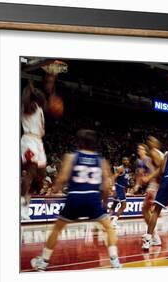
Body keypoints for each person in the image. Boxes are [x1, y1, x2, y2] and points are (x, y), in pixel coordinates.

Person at [30, 129, 121, 270]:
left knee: (57, 229)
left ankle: (43, 262)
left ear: (79, 142)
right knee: (109, 228)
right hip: (93, 198)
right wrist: (104, 201)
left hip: (75, 197)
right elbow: (107, 184)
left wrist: (52, 193)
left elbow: (62, 178)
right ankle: (115, 261)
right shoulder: (101, 160)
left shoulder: (71, 157)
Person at [20, 81, 47, 220]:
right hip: (29, 140)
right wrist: (28, 88)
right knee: (30, 171)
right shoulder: (28, 106)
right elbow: (26, 97)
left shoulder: (40, 108)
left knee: (40, 177)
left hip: (38, 141)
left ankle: (26, 205)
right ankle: (20, 203)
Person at [109, 157, 131, 227]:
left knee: (114, 205)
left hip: (122, 188)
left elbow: (125, 180)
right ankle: (114, 221)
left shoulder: (127, 170)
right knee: (124, 205)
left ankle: (109, 220)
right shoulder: (120, 168)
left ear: (129, 161)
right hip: (119, 188)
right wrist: (112, 188)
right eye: (124, 160)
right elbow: (113, 177)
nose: (126, 161)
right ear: (122, 161)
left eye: (127, 160)